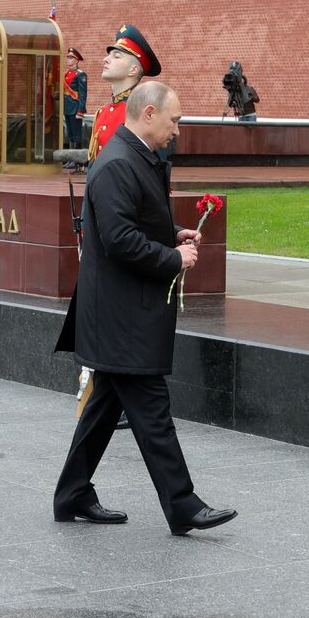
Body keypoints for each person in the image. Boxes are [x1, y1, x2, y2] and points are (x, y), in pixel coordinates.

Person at [52, 80, 237, 536]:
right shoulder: (118, 162)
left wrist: (171, 233)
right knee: (152, 411)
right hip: (123, 317)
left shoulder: (133, 156)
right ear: (149, 113)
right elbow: (118, 240)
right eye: (174, 120)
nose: (178, 129)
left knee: (102, 411)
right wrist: (172, 259)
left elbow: (136, 219)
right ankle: (182, 505)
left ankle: (72, 493)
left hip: (120, 314)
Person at [85, 25, 157, 162]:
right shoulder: (102, 112)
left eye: (116, 56)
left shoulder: (142, 114)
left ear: (133, 70)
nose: (105, 59)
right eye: (108, 55)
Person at [63, 46, 87, 156]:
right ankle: (70, 159)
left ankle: (77, 162)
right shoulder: (66, 74)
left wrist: (80, 110)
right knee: (70, 135)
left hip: (75, 108)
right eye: (68, 57)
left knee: (76, 135)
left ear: (76, 60)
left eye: (71, 57)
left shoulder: (80, 74)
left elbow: (83, 94)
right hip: (67, 107)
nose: (68, 59)